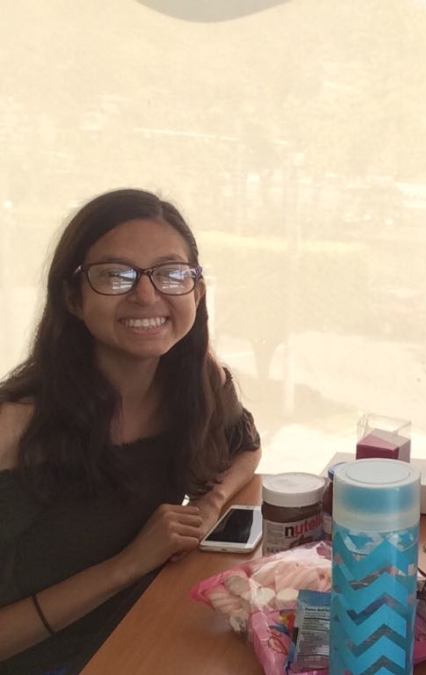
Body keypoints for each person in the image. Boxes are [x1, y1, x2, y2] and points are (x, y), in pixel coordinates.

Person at [0, 189, 262, 674]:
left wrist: (208, 506)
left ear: (197, 292)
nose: (146, 295)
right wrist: (131, 563)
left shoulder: (193, 384)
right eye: (115, 275)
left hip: (142, 630)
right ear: (72, 297)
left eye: (171, 273)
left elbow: (246, 448)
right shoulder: (14, 429)